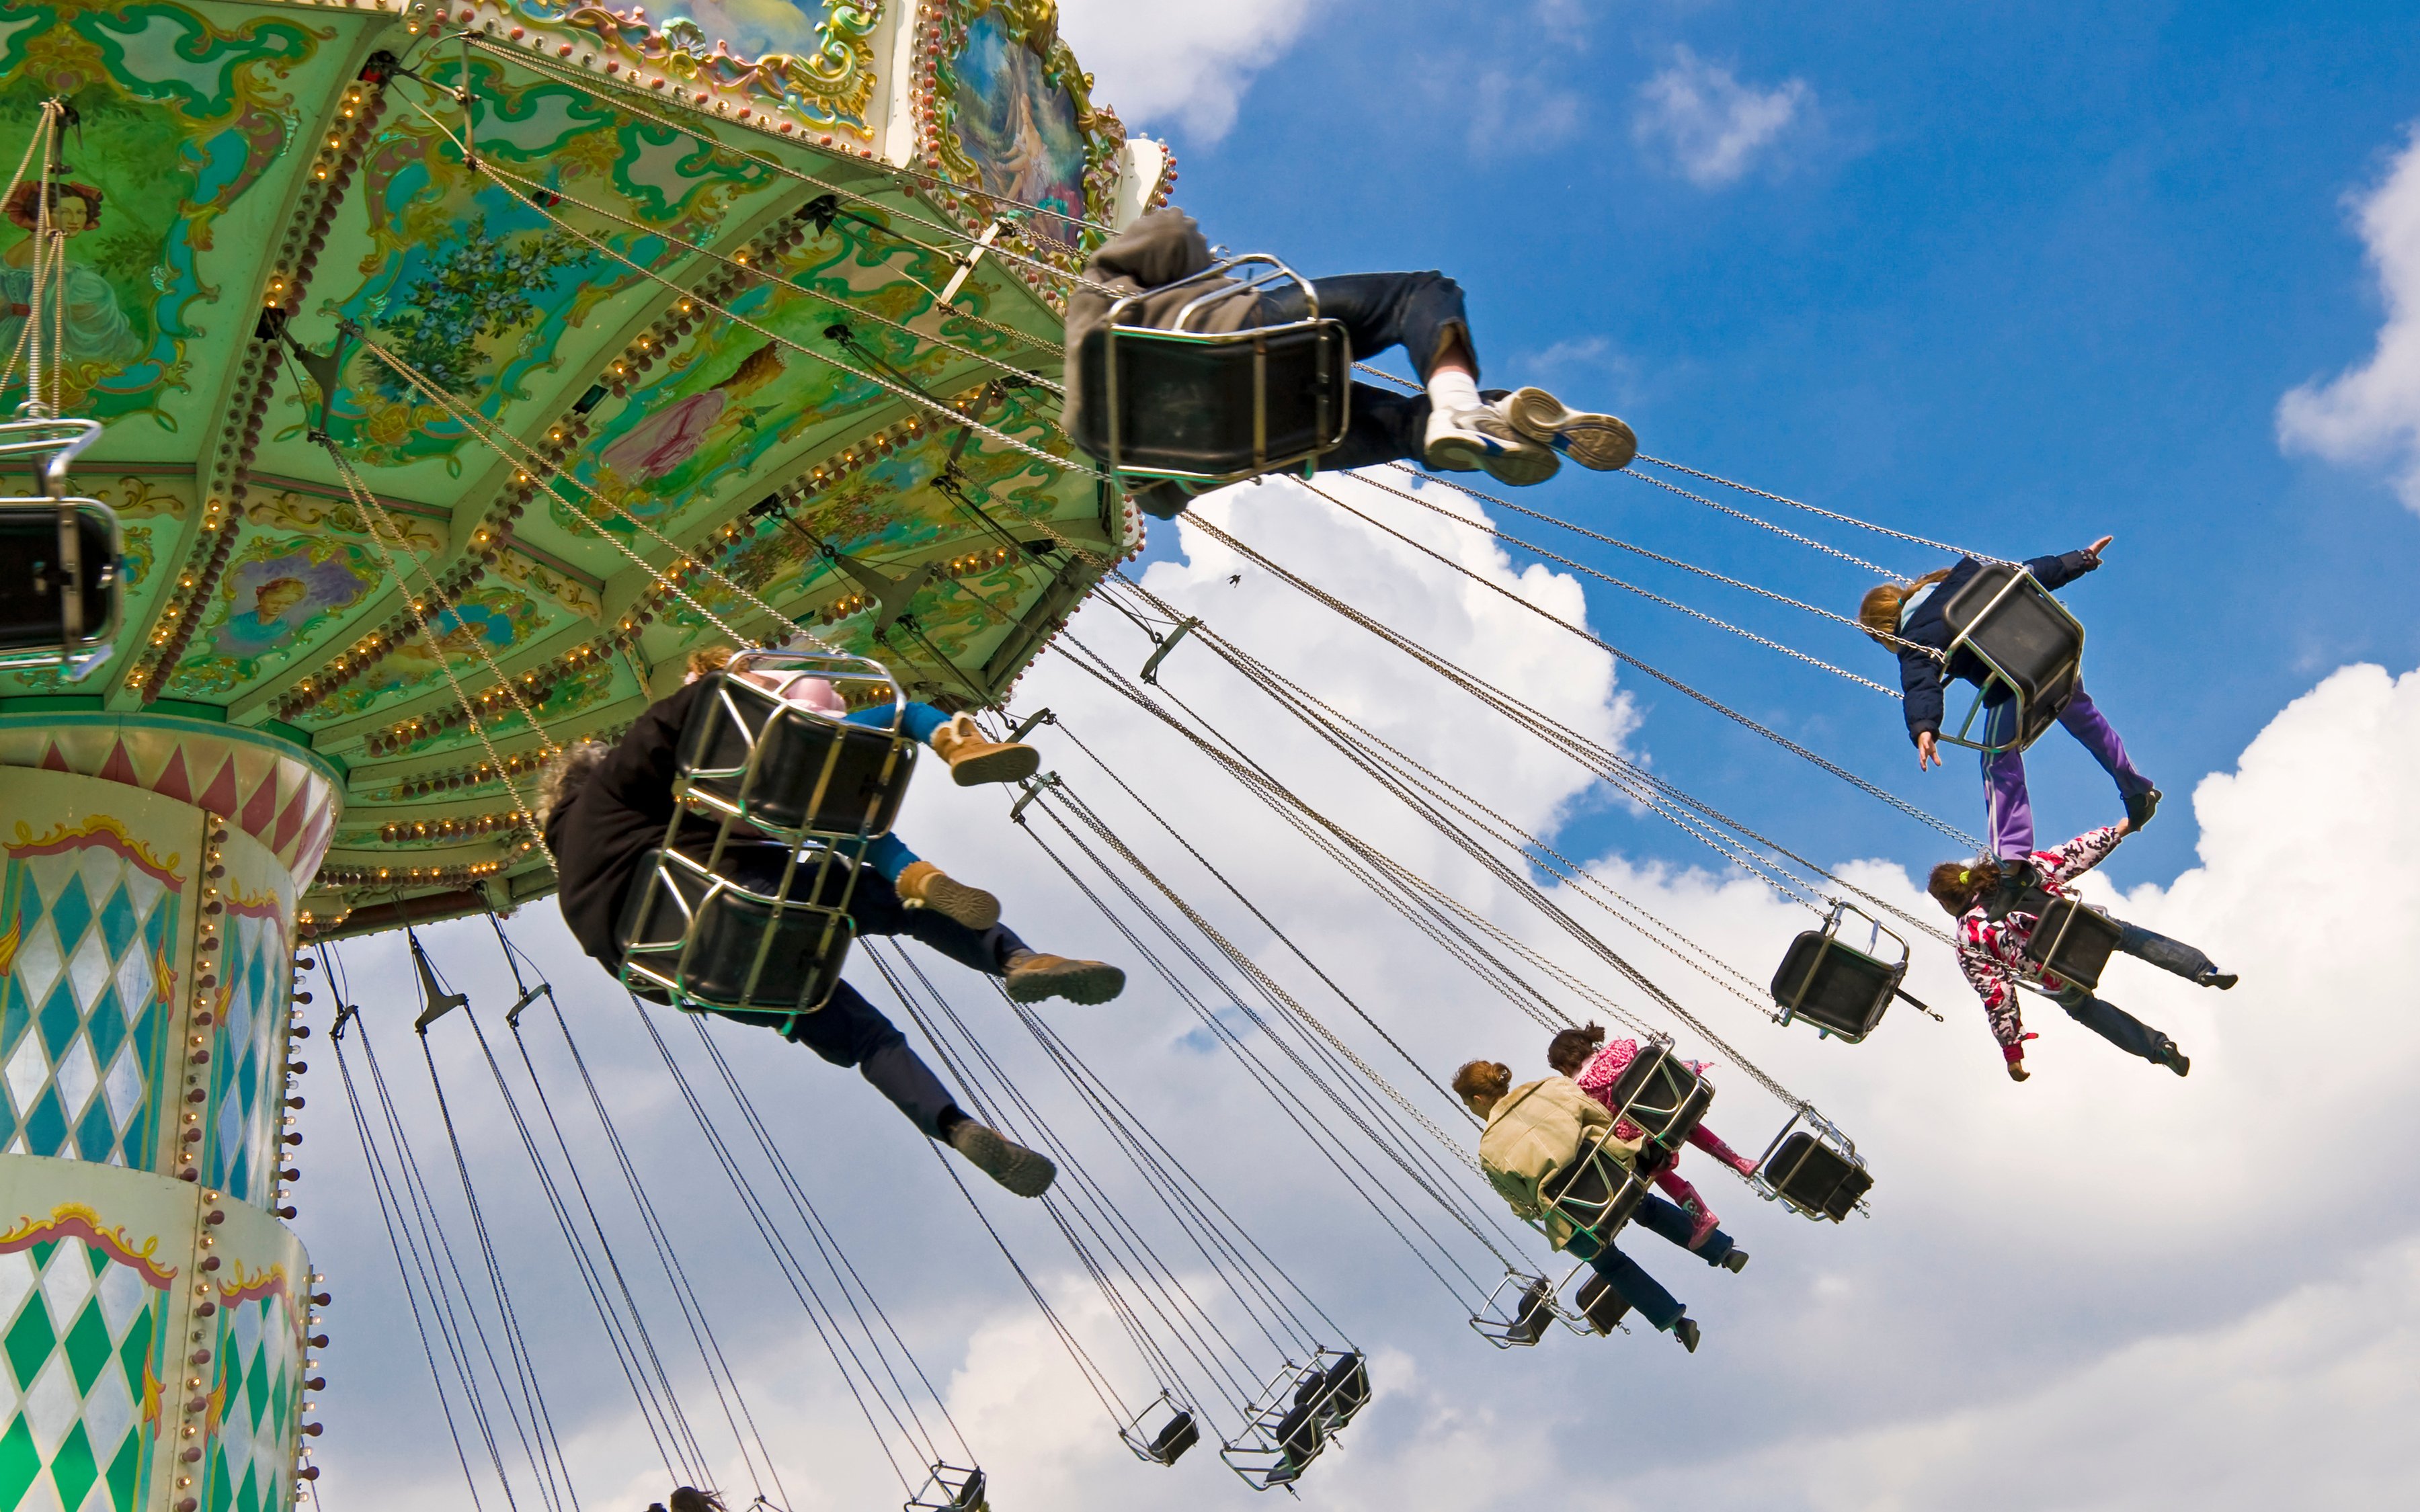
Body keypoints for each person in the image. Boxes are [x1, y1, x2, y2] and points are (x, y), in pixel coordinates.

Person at [537, 659, 1126, 1200]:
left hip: (716, 977)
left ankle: (957, 1128)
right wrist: (734, 689)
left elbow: (638, 979)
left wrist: (742, 1003)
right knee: (890, 902)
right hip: (739, 896)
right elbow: (667, 726)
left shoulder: (575, 899)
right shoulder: (608, 796)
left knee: (867, 1039)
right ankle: (1013, 959)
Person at [1063, 208, 1636, 519]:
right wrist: (1209, 268)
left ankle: (1496, 419)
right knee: (1416, 294)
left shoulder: (1100, 431)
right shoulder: (1102, 293)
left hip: (1248, 442)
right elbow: (1171, 232)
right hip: (1237, 341)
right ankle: (1465, 407)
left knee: (1410, 433)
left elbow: (1163, 504)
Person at [1859, 538, 2159, 860]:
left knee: (1997, 761)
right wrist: (2081, 559)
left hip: (2014, 686)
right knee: (2087, 720)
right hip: (2056, 654)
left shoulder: (1914, 641)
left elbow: (1920, 685)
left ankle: (2013, 860)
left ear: (1885, 632)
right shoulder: (1969, 577)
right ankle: (2135, 788)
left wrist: (1923, 727)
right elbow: (2026, 573)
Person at [697, 644, 1031, 928]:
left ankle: (922, 880)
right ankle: (961, 747)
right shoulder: (742, 681)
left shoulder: (702, 737)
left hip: (783, 809)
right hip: (810, 742)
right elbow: (818, 695)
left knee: (872, 842)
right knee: (910, 714)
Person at [1929, 816, 2236, 1081]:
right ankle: (2204, 970)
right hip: (2086, 930)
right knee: (2127, 936)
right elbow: (2070, 856)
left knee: (2084, 1008)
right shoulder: (2011, 873)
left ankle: (2158, 1048)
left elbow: (1998, 995)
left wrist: (2012, 1051)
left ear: (1947, 902)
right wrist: (2118, 831)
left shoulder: (1968, 937)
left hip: (2057, 971)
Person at [1454, 1059, 1711, 1353]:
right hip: (1617, 1178)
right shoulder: (1551, 1088)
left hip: (1580, 1216)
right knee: (1645, 1206)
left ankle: (1677, 1321)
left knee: (1610, 1265)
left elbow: (1521, 1204)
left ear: (1478, 1100)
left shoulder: (1489, 1149)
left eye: (1469, 1106)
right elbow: (1600, 1117)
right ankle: (1722, 1250)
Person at [1546, 1025, 1760, 1258]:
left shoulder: (1582, 1088)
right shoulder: (1618, 1050)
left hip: (1644, 1134)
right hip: (1673, 1102)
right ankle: (1738, 1160)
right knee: (1683, 1122)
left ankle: (1701, 1215)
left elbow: (1597, 1117)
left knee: (1650, 1167)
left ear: (1565, 1066)